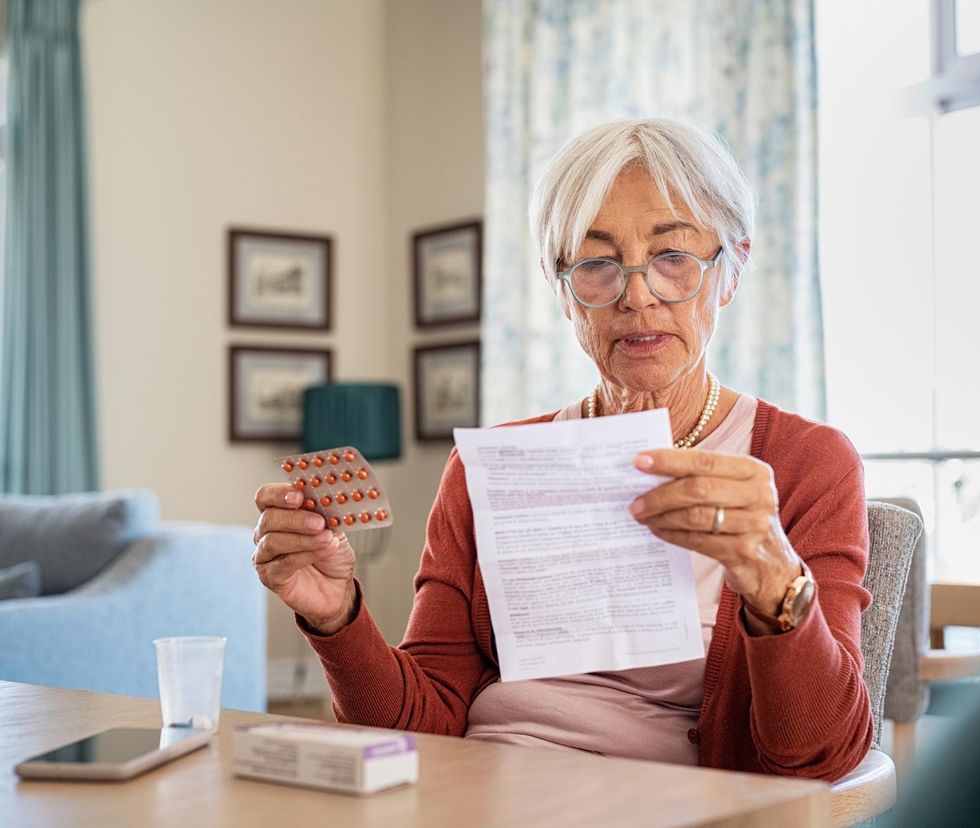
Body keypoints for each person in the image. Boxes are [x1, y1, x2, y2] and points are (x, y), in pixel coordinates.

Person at [252, 117, 872, 781]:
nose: (637, 295)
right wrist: (338, 617)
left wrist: (774, 578)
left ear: (731, 270)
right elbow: (419, 731)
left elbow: (821, 756)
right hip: (476, 792)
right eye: (598, 265)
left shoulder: (808, 465)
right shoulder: (489, 468)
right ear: (562, 290)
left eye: (672, 257)